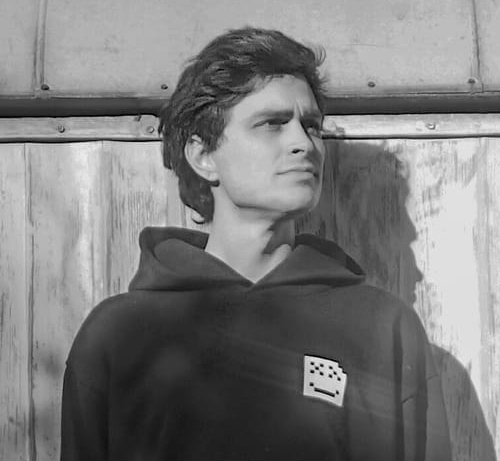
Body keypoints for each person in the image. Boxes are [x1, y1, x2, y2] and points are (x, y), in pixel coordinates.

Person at [60, 27, 451, 460]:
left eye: (311, 126)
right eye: (272, 124)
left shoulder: (381, 327)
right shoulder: (119, 334)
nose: (304, 144)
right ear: (204, 155)